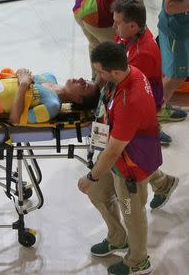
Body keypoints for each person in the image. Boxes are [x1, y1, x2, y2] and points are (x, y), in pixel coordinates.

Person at [78, 42, 161, 275]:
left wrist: (91, 176)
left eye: (100, 72)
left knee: (132, 213)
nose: (97, 76)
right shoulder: (126, 73)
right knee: (96, 193)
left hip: (130, 165)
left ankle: (139, 261)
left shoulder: (129, 101)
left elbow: (114, 150)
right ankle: (117, 238)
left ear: (114, 72)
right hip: (117, 158)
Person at [111, 0, 179, 209]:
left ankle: (163, 184)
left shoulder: (141, 53)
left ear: (132, 25)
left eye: (118, 22)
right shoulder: (128, 37)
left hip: (142, 110)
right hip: (137, 104)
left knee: (136, 155)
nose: (113, 25)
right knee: (133, 155)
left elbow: (129, 88)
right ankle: (163, 183)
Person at [157, 0, 189, 120]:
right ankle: (155, 114)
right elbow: (169, 7)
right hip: (176, 30)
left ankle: (162, 105)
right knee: (176, 75)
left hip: (184, 26)